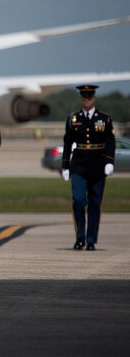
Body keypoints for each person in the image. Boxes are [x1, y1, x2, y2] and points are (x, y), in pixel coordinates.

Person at [62, 84, 115, 251]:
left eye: (89, 96)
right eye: (84, 96)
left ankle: (91, 239)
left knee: (94, 203)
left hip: (98, 164)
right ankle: (80, 237)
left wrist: (109, 162)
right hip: (79, 164)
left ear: (94, 98)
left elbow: (110, 141)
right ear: (81, 98)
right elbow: (68, 142)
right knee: (78, 200)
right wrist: (65, 166)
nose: (87, 99)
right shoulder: (74, 119)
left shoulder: (104, 119)